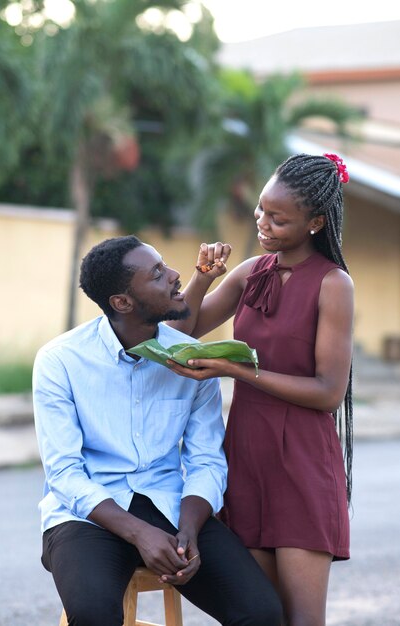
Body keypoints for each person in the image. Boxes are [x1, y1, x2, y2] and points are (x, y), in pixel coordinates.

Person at [32, 235, 282, 626]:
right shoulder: (60, 361)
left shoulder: (194, 362)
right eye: (157, 274)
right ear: (122, 302)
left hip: (172, 509)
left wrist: (189, 531)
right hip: (86, 516)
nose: (176, 275)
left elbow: (206, 460)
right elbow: (63, 472)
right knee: (94, 614)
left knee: (261, 612)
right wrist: (139, 534)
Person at [167, 153, 354, 626]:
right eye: (260, 210)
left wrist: (238, 372)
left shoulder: (334, 285)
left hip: (303, 463)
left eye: (278, 218)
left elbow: (330, 391)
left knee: (301, 620)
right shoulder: (252, 271)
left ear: (315, 222)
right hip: (247, 456)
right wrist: (202, 277)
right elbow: (184, 330)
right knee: (258, 615)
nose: (263, 224)